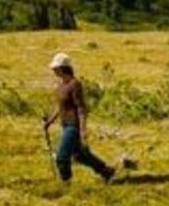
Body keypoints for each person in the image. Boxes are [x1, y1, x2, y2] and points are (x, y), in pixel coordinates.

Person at [43, 53, 115, 184]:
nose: (53, 70)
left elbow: (81, 108)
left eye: (55, 68)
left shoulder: (75, 84)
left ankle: (66, 182)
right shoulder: (60, 85)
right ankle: (106, 171)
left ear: (63, 68)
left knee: (62, 157)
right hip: (65, 125)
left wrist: (83, 131)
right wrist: (50, 121)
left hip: (73, 126)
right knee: (81, 156)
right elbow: (59, 106)